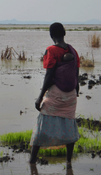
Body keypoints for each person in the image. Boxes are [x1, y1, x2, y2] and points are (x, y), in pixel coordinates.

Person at [29, 22, 80, 166]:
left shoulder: (51, 50)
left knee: (42, 124)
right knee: (69, 124)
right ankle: (69, 162)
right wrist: (76, 91)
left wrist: (40, 96)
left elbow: (49, 75)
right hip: (71, 95)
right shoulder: (73, 50)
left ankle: (32, 161)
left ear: (51, 35)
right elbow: (76, 74)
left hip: (56, 94)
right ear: (64, 33)